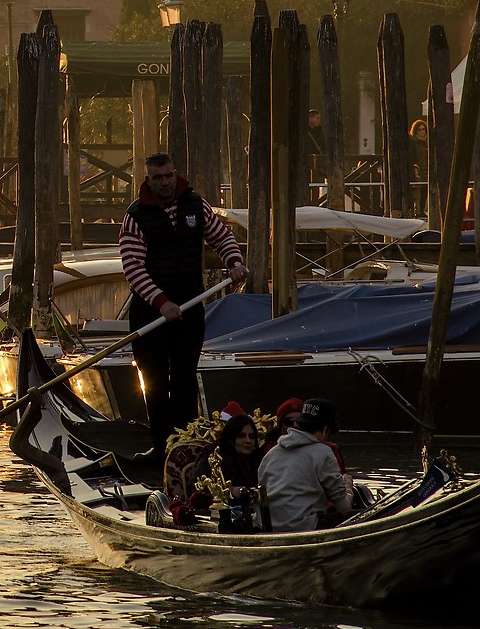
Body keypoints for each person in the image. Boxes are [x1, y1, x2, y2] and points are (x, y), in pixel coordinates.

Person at [119, 151, 247, 450]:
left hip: (189, 305)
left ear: (175, 174)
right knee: (154, 381)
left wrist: (234, 261)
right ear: (147, 180)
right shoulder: (135, 216)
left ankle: (185, 444)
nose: (164, 183)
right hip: (150, 311)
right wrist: (162, 302)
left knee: (185, 377)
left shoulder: (195, 204)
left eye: (168, 176)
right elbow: (133, 268)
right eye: (157, 178)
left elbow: (222, 237)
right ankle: (161, 445)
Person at [257, 397, 353, 532]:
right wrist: (348, 485)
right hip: (303, 527)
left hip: (268, 526)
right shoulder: (323, 452)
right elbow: (344, 508)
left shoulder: (272, 453)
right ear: (325, 429)